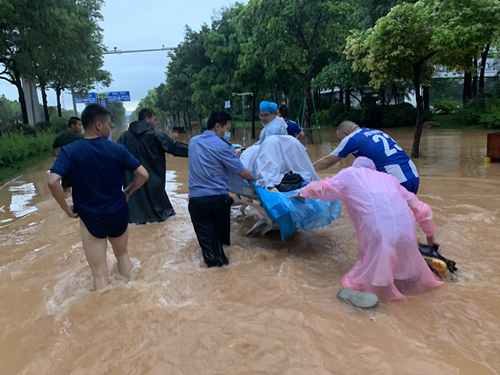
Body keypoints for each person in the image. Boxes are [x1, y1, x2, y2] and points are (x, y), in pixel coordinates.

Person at [290, 157, 443, 303]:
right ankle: (412, 286)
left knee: (372, 271)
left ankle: (377, 298)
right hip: (407, 228)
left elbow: (322, 187)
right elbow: (421, 209)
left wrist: (301, 193)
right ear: (374, 169)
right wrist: (431, 240)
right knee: (400, 259)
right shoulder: (390, 179)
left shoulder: (348, 174)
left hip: (376, 226)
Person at [48, 104, 149, 290]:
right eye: (109, 124)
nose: (110, 128)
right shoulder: (117, 149)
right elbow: (143, 175)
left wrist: (66, 208)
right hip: (117, 211)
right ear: (98, 125)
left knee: (99, 273)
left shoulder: (70, 151)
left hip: (90, 217)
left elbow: (53, 181)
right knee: (123, 257)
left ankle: (103, 314)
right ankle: (133, 298)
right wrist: (127, 192)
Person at [188, 111, 255, 267]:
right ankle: (226, 279)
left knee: (209, 248)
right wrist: (255, 179)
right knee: (223, 244)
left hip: (196, 202)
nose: (228, 133)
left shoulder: (193, 142)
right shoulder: (224, 147)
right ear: (218, 126)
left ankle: (215, 280)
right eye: (228, 128)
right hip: (217, 201)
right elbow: (242, 172)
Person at [117, 109, 188, 224]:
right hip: (156, 193)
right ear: (146, 119)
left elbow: (112, 159)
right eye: (154, 120)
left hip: (133, 197)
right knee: (163, 222)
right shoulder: (156, 135)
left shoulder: (123, 138)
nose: (156, 123)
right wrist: (197, 150)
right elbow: (174, 148)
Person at [313, 121, 420, 194]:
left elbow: (328, 160)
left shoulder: (352, 138)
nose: (341, 142)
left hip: (395, 178)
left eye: (340, 138)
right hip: (413, 175)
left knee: (383, 217)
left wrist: (308, 168)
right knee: (405, 216)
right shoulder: (376, 132)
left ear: (346, 133)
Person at [50, 117, 83, 193]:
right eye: (79, 125)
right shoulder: (80, 137)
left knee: (65, 189)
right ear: (72, 125)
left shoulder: (60, 136)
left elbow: (52, 150)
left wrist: (59, 157)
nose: (81, 128)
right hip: (78, 166)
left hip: (65, 166)